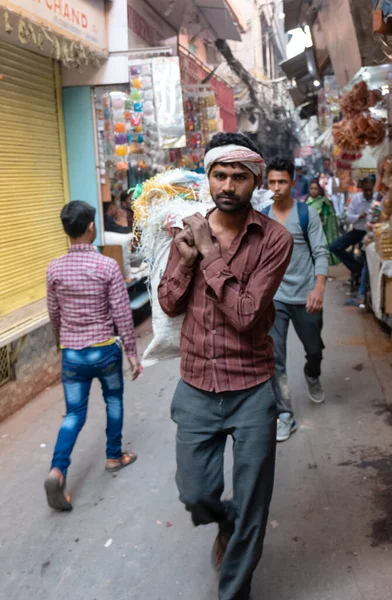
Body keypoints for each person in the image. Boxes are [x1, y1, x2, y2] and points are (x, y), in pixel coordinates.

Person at [158, 133, 293, 600]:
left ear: (255, 181)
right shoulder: (188, 232)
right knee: (195, 494)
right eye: (220, 175)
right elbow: (168, 304)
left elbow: (246, 314)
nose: (229, 185)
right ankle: (223, 520)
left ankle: (234, 591)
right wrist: (186, 260)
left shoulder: (273, 239)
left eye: (239, 176)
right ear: (209, 177)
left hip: (253, 386)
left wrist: (210, 257)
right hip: (196, 386)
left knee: (254, 502)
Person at [45, 201, 141, 511]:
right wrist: (132, 353)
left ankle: (57, 470)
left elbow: (54, 313)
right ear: (90, 228)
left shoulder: (54, 268)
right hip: (104, 351)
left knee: (73, 414)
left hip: (73, 355)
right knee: (113, 401)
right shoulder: (106, 266)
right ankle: (114, 456)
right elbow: (122, 313)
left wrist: (65, 341)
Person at [265, 158, 330, 443]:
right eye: (271, 182)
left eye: (282, 182)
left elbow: (322, 253)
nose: (276, 188)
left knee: (314, 348)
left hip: (306, 297)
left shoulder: (306, 215)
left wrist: (319, 288)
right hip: (275, 299)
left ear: (292, 183)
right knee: (275, 358)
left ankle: (312, 373)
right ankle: (285, 415)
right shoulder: (261, 215)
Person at [330, 177, 378, 283]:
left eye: (370, 190)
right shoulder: (356, 199)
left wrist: (374, 217)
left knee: (366, 253)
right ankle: (357, 268)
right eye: (366, 190)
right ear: (362, 189)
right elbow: (348, 217)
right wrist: (359, 216)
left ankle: (361, 271)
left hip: (371, 233)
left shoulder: (376, 199)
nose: (369, 193)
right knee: (335, 246)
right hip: (357, 231)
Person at [306, 179, 340, 265]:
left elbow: (328, 217)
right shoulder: (306, 201)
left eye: (316, 189)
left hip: (321, 231)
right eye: (311, 188)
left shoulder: (323, 201)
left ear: (319, 190)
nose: (313, 191)